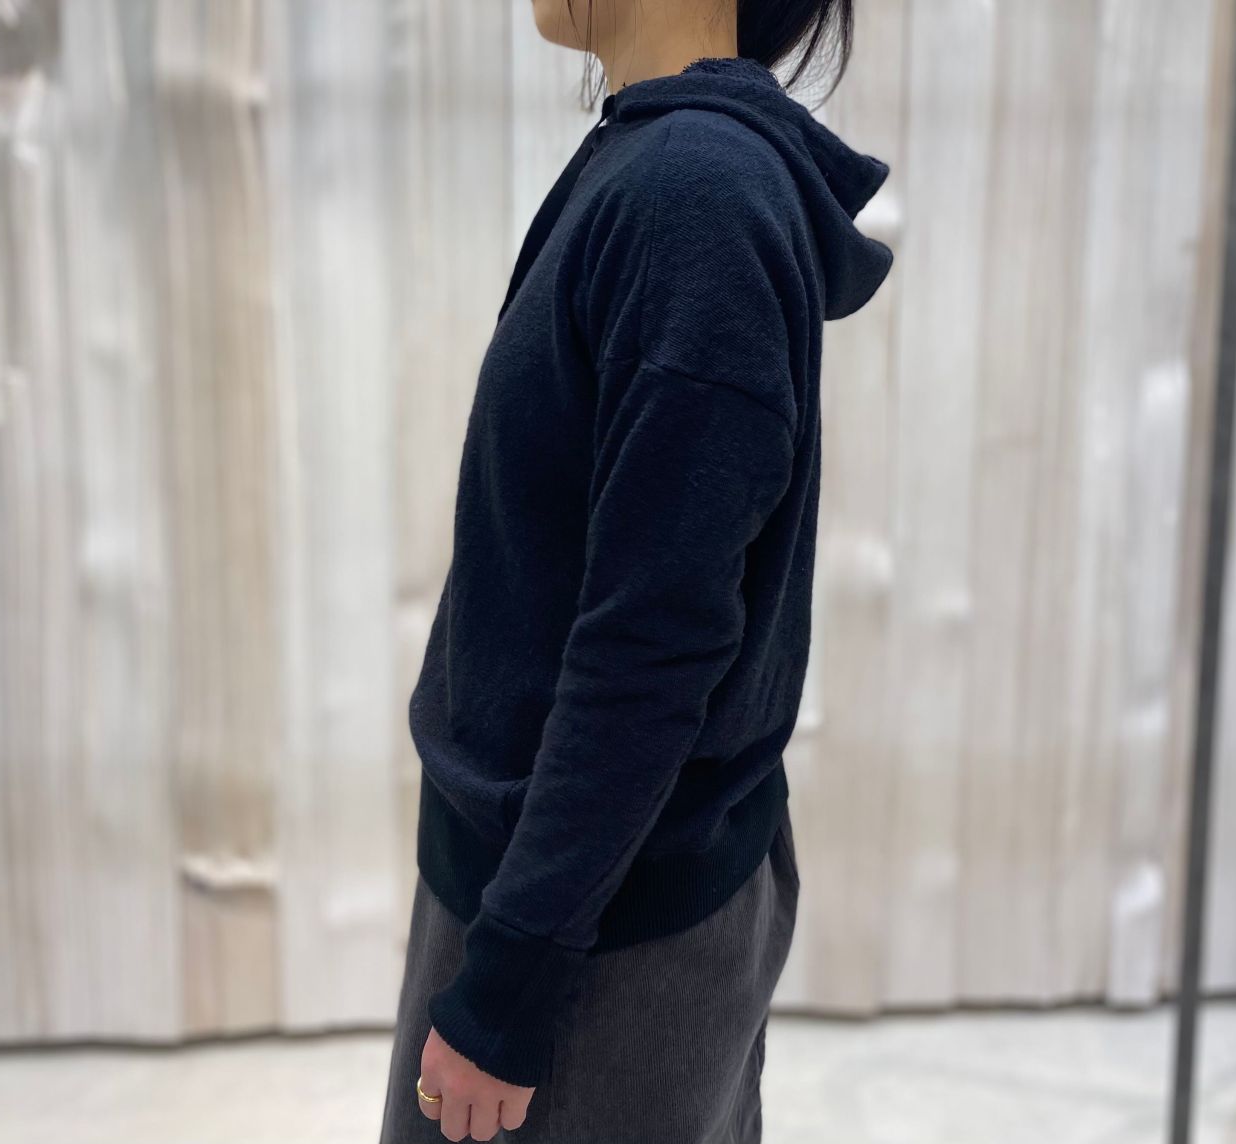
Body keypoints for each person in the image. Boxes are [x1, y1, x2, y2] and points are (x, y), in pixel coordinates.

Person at [380, 0, 892, 1140]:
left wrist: (512, 977)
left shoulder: (694, 197)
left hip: (595, 938)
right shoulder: (653, 160)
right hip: (566, 889)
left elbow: (650, 647)